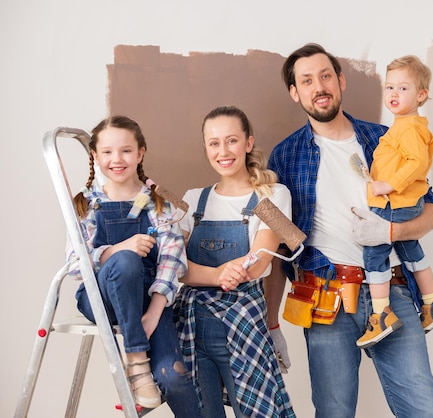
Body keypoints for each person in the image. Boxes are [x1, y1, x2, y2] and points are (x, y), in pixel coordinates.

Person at [266, 43, 433, 417]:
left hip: (392, 294)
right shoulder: (284, 156)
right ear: (295, 93)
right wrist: (271, 321)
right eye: (307, 81)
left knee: (423, 408)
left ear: (341, 81)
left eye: (326, 75)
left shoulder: (386, 138)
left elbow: (432, 215)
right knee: (334, 412)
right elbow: (277, 246)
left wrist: (389, 234)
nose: (320, 86)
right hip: (326, 301)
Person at [66, 115, 202, 416]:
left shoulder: (158, 204)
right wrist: (117, 249)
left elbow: (171, 260)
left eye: (126, 151)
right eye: (107, 152)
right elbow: (75, 265)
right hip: (100, 299)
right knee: (126, 261)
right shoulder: (85, 204)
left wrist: (154, 313)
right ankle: (136, 358)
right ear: (95, 156)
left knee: (174, 375)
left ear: (140, 153)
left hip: (147, 300)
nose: (117, 159)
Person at [174, 106, 295, 418]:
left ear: (249, 143)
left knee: (256, 412)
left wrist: (234, 272)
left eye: (231, 141)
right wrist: (218, 275)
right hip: (192, 325)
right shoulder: (195, 199)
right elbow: (177, 266)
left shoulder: (272, 195)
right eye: (214, 143)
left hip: (244, 321)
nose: (223, 151)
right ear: (205, 148)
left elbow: (261, 256)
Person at [356, 55, 433, 349]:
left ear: (421, 95)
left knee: (375, 254)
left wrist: (389, 184)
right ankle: (432, 302)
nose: (394, 94)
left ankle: (381, 314)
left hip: (394, 204)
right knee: (410, 249)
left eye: (403, 88)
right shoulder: (401, 126)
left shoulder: (409, 128)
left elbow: (417, 162)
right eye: (389, 88)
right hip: (401, 202)